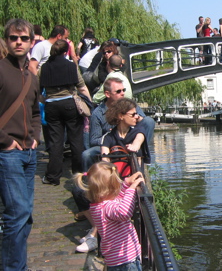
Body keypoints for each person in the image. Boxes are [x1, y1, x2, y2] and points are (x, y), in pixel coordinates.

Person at [0, 18, 41, 271]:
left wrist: (36, 135)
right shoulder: (1, 70)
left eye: (24, 38)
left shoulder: (31, 77)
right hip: (8, 153)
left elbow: (35, 111)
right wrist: (5, 142)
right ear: (6, 40)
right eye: (14, 38)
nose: (18, 42)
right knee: (16, 215)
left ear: (31, 42)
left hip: (29, 151)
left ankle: (18, 265)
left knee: (26, 217)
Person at [74, 162, 145, 270]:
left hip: (116, 260)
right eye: (117, 185)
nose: (119, 188)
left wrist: (126, 184)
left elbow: (118, 200)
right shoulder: (106, 208)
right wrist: (131, 189)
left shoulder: (98, 206)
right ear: (110, 189)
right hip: (125, 260)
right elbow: (124, 212)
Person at [39, 39, 91, 185]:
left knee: (56, 142)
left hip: (51, 106)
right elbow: (81, 87)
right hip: (69, 104)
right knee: (76, 140)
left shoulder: (44, 68)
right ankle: (78, 174)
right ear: (66, 52)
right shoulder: (71, 66)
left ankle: (53, 177)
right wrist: (89, 102)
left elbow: (38, 90)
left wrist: (45, 100)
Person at [101, 98, 151, 167]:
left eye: (136, 114)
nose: (137, 117)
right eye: (133, 114)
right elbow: (105, 161)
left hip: (136, 176)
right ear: (120, 116)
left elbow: (138, 140)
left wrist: (134, 146)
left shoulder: (139, 131)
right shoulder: (108, 137)